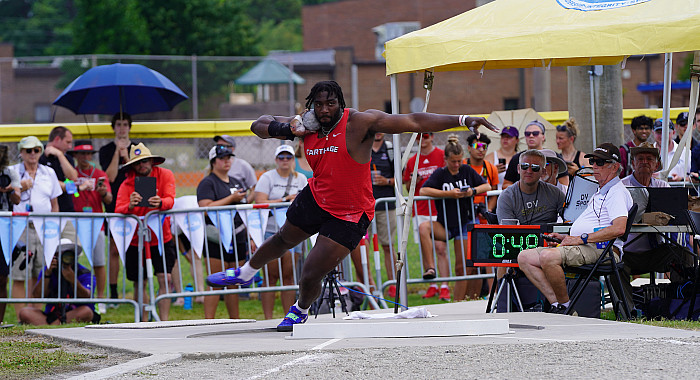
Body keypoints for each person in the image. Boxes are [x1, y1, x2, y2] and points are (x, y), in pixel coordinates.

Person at [206, 80, 498, 331]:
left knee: (310, 271)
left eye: (330, 104)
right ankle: (246, 273)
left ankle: (301, 308)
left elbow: (414, 121)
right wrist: (289, 127)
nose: (324, 110)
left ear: (340, 103)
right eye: (318, 105)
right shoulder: (308, 125)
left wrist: (462, 119)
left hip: (351, 212)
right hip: (317, 196)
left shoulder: (360, 122)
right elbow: (258, 125)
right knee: (283, 238)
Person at [517, 143, 633, 314]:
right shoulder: (601, 190)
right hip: (586, 245)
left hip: (603, 250)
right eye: (593, 161)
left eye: (600, 163)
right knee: (524, 257)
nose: (594, 166)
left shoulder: (616, 192)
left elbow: (619, 229)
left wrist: (580, 238)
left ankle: (566, 308)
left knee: (549, 257)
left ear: (615, 167)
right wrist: (569, 238)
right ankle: (559, 304)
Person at [419, 135, 491, 301]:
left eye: (459, 161)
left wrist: (472, 191)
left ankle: (463, 302)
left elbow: (486, 185)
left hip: (465, 223)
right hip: (445, 224)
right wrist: (449, 194)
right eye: (453, 161)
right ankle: (430, 268)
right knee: (424, 227)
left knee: (463, 268)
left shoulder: (466, 170)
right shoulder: (440, 173)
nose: (457, 165)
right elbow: (423, 191)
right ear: (445, 159)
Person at [114, 143, 176, 321]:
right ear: (132, 165)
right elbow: (118, 208)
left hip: (161, 237)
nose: (142, 165)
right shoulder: (127, 183)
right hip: (136, 241)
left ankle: (163, 322)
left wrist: (161, 202)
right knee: (139, 282)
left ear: (152, 161)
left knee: (165, 278)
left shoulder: (165, 175)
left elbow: (171, 200)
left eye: (145, 161)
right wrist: (130, 205)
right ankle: (142, 321)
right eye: (138, 163)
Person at [254, 145, 308, 319]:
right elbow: (260, 201)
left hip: (295, 232)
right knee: (271, 277)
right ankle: (268, 318)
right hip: (271, 231)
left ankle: (288, 317)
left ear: (293, 159)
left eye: (288, 157)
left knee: (289, 276)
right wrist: (285, 199)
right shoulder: (267, 177)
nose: (285, 160)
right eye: (281, 157)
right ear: (276, 160)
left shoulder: (301, 179)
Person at [10, 136, 62, 319]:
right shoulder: (12, 171)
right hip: (20, 226)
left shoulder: (49, 172)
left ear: (40, 152)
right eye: (28, 150)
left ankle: (35, 315)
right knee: (19, 272)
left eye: (36, 150)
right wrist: (20, 187)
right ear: (21, 153)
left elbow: (54, 203)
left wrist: (54, 226)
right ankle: (20, 315)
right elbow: (7, 197)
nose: (33, 154)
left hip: (45, 227)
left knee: (40, 271)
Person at [197, 145, 250, 319]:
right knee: (215, 281)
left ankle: (235, 321)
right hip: (217, 237)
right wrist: (231, 199)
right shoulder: (208, 182)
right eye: (222, 157)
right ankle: (208, 321)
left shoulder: (236, 181)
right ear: (213, 161)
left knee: (233, 281)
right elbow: (205, 208)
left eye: (229, 157)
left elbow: (244, 209)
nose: (227, 160)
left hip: (238, 234)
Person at [402, 131, 449, 299]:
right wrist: (413, 179)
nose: (423, 139)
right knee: (426, 248)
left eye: (427, 135)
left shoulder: (442, 155)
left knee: (440, 248)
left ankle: (444, 285)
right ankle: (432, 284)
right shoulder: (412, 161)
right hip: (420, 209)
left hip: (438, 209)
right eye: (419, 136)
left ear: (432, 137)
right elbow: (408, 187)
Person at [99, 113, 139, 302]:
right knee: (114, 248)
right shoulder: (106, 150)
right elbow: (111, 177)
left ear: (130, 127)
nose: (122, 128)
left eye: (125, 124)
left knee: (135, 246)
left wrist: (127, 158)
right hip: (115, 203)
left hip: (135, 202)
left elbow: (140, 174)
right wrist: (117, 153)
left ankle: (137, 284)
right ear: (113, 127)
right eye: (118, 124)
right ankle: (114, 290)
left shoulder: (138, 149)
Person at [68, 140, 112, 305]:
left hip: (96, 222)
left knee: (99, 261)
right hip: (75, 222)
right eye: (82, 154)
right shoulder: (71, 173)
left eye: (88, 154)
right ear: (76, 156)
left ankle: (100, 299)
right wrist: (79, 188)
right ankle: (72, 296)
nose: (85, 157)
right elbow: (66, 190)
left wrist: (103, 193)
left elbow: (109, 198)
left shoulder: (100, 174)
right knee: (70, 261)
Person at [18, 239, 96, 325]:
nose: (63, 259)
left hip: (75, 313)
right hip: (52, 315)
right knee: (24, 312)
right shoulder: (47, 271)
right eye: (59, 255)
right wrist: (47, 275)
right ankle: (56, 325)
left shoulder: (84, 273)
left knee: (86, 312)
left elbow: (86, 297)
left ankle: (51, 327)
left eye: (67, 255)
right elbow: (37, 296)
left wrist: (73, 280)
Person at [496, 150, 566, 225]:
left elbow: (571, 220)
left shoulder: (555, 193)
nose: (529, 171)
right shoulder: (507, 197)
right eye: (524, 166)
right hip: (520, 236)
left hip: (550, 235)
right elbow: (509, 232)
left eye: (535, 167)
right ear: (518, 169)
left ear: (543, 171)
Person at [366, 132, 397, 297]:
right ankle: (368, 285)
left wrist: (387, 181)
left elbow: (402, 177)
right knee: (363, 247)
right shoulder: (363, 147)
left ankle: (392, 284)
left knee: (388, 245)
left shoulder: (391, 149)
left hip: (386, 205)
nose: (377, 132)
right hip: (365, 205)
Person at [502, 120, 568, 189]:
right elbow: (506, 184)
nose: (531, 136)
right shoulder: (517, 158)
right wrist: (523, 188)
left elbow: (565, 184)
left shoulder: (553, 156)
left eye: (535, 133)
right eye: (527, 134)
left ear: (543, 137)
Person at [0, 144, 20, 324]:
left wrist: (10, 189)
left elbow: (18, 199)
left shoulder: (10, 173)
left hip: (4, 228)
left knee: (2, 277)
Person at [40, 126, 77, 213]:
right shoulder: (40, 156)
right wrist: (65, 186)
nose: (70, 146)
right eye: (67, 142)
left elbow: (73, 177)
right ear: (57, 139)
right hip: (47, 209)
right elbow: (44, 181)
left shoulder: (67, 158)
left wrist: (60, 155)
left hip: (67, 209)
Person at [213, 135, 257, 203]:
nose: (219, 149)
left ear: (232, 148)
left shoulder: (243, 165)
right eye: (217, 146)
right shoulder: (214, 164)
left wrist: (245, 204)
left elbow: (254, 189)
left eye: (222, 146)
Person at [465, 133, 498, 216]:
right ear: (469, 148)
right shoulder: (462, 166)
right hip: (465, 214)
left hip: (483, 215)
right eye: (477, 146)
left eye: (484, 147)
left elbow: (494, 194)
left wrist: (488, 210)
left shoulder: (491, 168)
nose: (481, 150)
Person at [485, 126, 518, 190]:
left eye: (509, 137)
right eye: (503, 136)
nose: (505, 139)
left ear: (517, 140)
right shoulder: (490, 157)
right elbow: (481, 178)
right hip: (495, 194)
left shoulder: (520, 158)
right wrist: (493, 172)